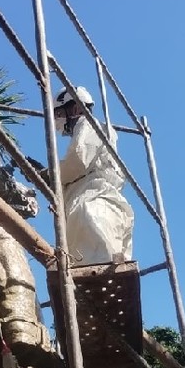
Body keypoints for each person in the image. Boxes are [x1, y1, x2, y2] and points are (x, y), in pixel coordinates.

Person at [52, 86, 134, 265]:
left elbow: (78, 160)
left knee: (95, 263)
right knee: (104, 263)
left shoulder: (88, 124)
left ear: (75, 109)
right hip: (107, 208)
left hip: (93, 207)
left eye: (58, 114)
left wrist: (50, 174)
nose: (57, 121)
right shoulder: (96, 131)